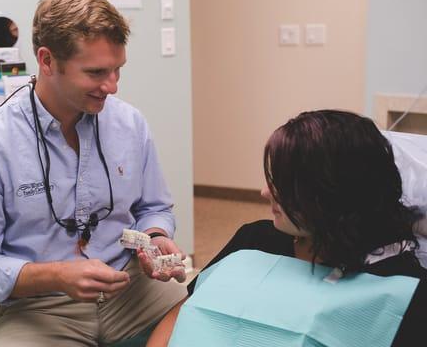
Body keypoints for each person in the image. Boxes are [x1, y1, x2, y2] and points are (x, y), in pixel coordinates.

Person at [0, 0, 187, 346]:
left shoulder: (129, 124)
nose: (112, 86)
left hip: (133, 289)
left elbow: (153, 207)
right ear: (47, 61)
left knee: (212, 327)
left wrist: (155, 237)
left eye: (118, 69)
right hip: (41, 308)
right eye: (96, 73)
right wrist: (56, 276)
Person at [147, 110, 427, 346]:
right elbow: (182, 314)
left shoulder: (404, 289)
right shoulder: (255, 239)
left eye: (283, 185)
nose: (264, 193)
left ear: (329, 194)